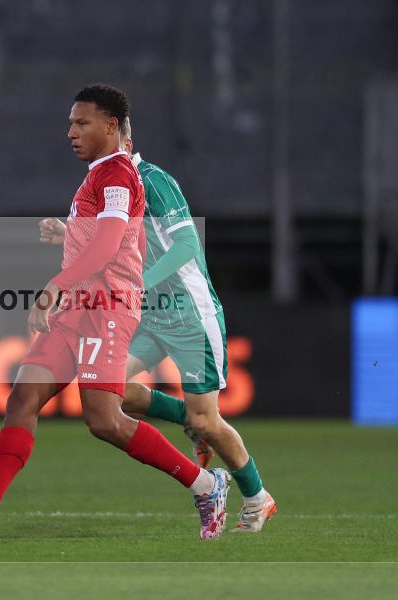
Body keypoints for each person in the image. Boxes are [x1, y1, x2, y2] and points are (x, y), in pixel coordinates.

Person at [0, 84, 231, 541]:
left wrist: (54, 285)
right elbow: (119, 240)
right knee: (23, 398)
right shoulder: (100, 176)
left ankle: (206, 486)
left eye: (81, 122)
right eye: (70, 122)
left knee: (104, 421)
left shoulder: (119, 174)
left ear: (111, 126)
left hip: (105, 310)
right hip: (81, 307)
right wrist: (69, 236)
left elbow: (108, 246)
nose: (71, 131)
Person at [38, 117, 276, 533]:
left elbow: (185, 243)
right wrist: (69, 232)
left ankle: (257, 497)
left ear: (123, 139)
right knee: (116, 394)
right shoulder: (109, 187)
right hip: (147, 317)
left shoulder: (153, 180)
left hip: (189, 317)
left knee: (207, 422)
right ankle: (188, 419)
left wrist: (138, 284)